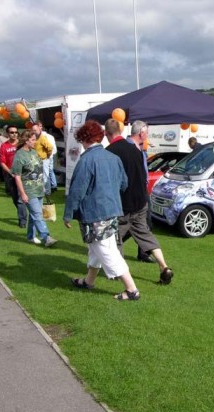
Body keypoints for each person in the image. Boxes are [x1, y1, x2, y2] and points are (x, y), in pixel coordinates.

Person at [64, 120, 140, 301]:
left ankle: (131, 290)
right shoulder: (113, 158)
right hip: (112, 210)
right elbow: (124, 183)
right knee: (97, 248)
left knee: (106, 251)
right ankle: (88, 281)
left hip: (94, 213)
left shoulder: (87, 160)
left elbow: (77, 191)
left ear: (84, 139)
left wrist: (68, 213)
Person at [105, 120, 174, 284]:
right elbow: (143, 176)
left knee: (115, 238)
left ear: (106, 134)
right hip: (141, 202)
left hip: (123, 205)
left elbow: (114, 181)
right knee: (145, 235)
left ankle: (119, 274)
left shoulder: (109, 152)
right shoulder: (136, 150)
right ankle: (164, 266)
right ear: (120, 130)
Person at [11, 130, 57, 247]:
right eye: (32, 139)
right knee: (37, 214)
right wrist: (22, 193)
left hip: (39, 189)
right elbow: (17, 176)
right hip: (28, 190)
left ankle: (30, 236)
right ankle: (46, 237)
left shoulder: (34, 152)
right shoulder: (19, 155)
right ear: (26, 141)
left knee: (34, 215)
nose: (35, 142)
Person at [0, 125, 28, 228]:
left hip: (23, 175)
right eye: (12, 132)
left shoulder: (22, 144)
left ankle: (23, 221)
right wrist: (10, 172)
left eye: (16, 132)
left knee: (20, 199)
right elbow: (2, 163)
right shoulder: (4, 146)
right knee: (15, 199)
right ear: (7, 134)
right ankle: (23, 213)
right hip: (11, 175)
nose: (14, 134)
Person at [31, 121, 54, 197]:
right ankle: (40, 190)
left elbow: (50, 147)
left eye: (35, 130)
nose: (34, 132)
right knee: (37, 176)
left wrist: (47, 155)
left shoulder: (42, 138)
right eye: (33, 130)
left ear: (39, 130)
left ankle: (47, 192)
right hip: (36, 160)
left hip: (43, 160)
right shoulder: (34, 138)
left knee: (45, 176)